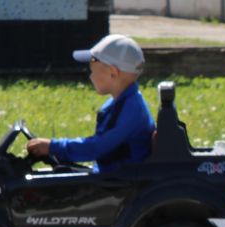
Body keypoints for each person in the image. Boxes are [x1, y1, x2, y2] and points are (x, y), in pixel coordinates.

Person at [25, 33, 154, 171]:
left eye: (92, 70)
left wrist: (52, 147)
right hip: (110, 174)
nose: (90, 75)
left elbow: (96, 148)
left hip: (121, 183)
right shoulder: (120, 102)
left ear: (113, 72)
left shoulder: (132, 111)